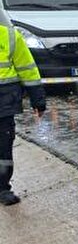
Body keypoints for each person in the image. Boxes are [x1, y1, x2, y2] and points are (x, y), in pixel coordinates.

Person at [0, 16, 47, 206]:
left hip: (4, 103)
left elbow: (27, 69)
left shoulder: (9, 36)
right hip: (5, 101)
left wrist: (38, 99)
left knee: (3, 147)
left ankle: (2, 188)